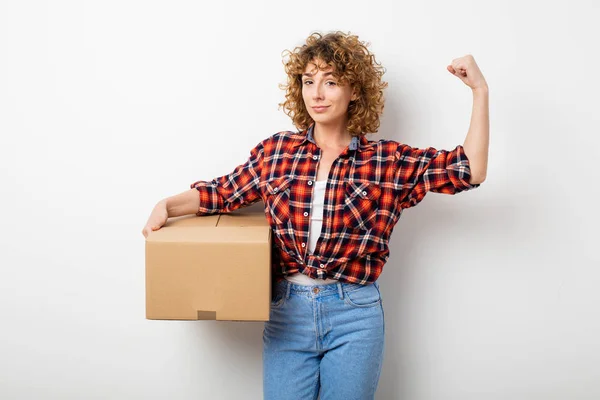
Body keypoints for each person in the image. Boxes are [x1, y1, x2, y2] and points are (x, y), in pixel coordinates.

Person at [142, 31, 489, 400]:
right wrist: (167, 205)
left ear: (354, 90)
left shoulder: (387, 161)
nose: (317, 93)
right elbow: (222, 192)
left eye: (330, 82)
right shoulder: (276, 152)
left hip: (354, 314)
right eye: (309, 82)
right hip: (285, 312)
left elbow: (469, 170)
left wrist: (479, 91)